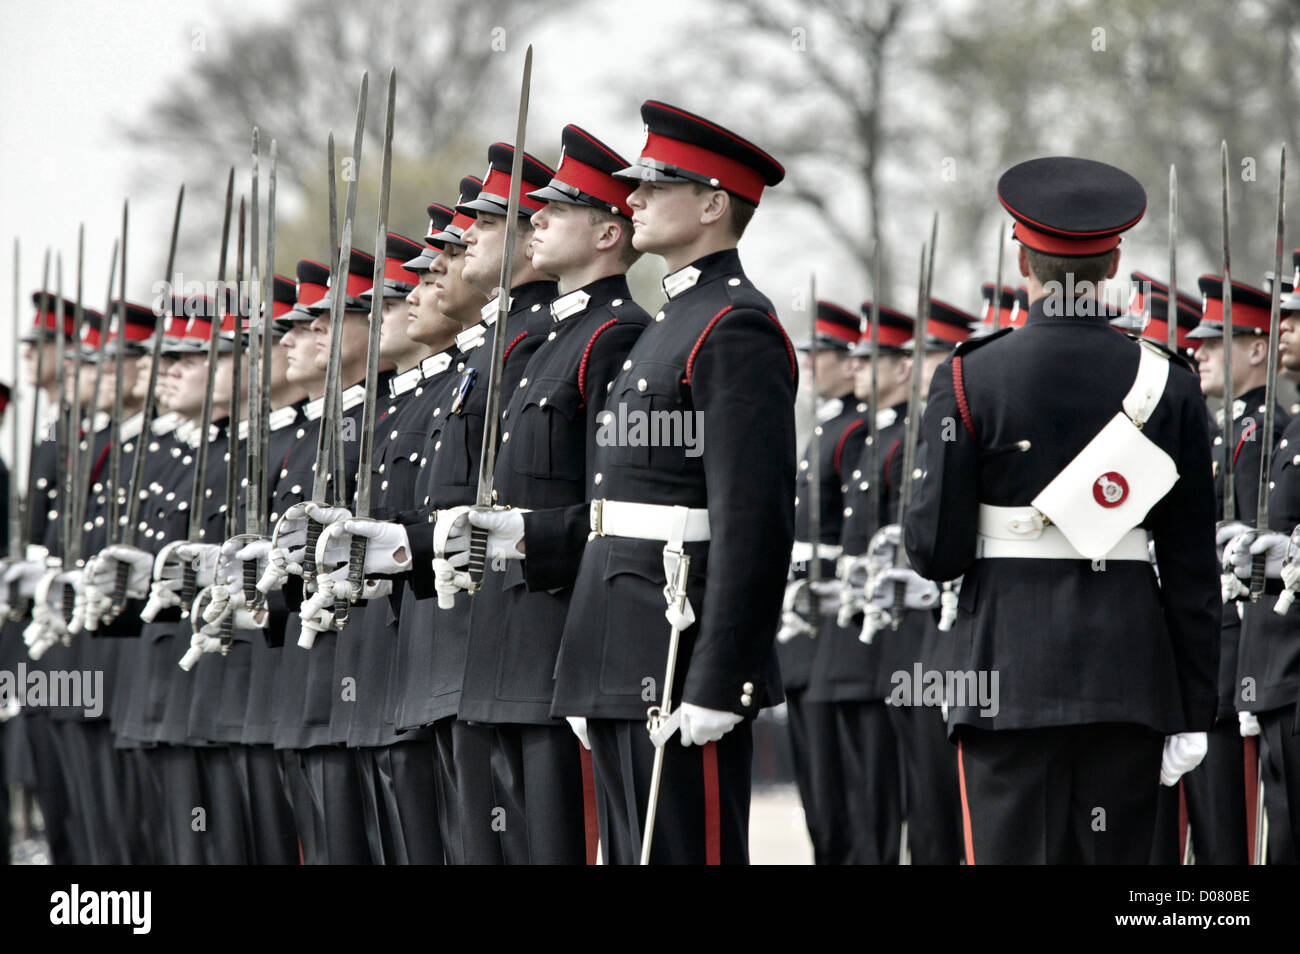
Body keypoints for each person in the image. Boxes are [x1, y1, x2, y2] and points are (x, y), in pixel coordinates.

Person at [479, 100, 793, 864]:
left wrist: (724, 678)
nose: (637, 199)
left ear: (713, 205)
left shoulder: (734, 325)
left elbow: (753, 520)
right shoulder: (668, 325)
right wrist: (587, 663)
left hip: (682, 649)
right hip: (621, 646)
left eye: (657, 187)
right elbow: (608, 510)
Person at [903, 156, 1220, 864]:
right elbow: (1194, 568)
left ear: (1022, 259)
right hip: (1129, 684)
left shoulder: (967, 375)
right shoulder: (1168, 381)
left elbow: (936, 552)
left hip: (1004, 684)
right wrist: (1193, 709)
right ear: (1113, 263)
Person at [778, 300, 865, 864]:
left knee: (844, 787)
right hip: (805, 630)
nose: (811, 363)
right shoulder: (828, 426)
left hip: (835, 623)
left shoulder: (855, 430)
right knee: (817, 785)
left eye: (822, 354)